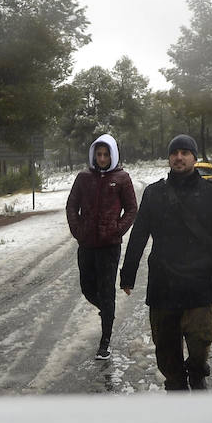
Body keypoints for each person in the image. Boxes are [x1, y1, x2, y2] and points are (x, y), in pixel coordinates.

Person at [120, 134, 212, 390]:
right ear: (169, 158)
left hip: (199, 285)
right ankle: (175, 387)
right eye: (175, 153)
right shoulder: (154, 194)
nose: (179, 157)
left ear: (195, 158)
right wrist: (127, 274)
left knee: (200, 344)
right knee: (166, 352)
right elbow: (139, 235)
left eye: (185, 152)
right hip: (163, 286)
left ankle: (197, 373)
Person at [66, 133, 138, 359]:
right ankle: (108, 313)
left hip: (109, 246)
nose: (102, 158)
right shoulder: (83, 177)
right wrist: (78, 230)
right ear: (93, 155)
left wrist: (116, 229)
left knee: (107, 293)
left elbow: (132, 209)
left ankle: (105, 341)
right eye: (98, 154)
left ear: (113, 154)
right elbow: (71, 206)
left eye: (106, 154)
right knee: (87, 288)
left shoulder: (122, 178)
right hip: (87, 244)